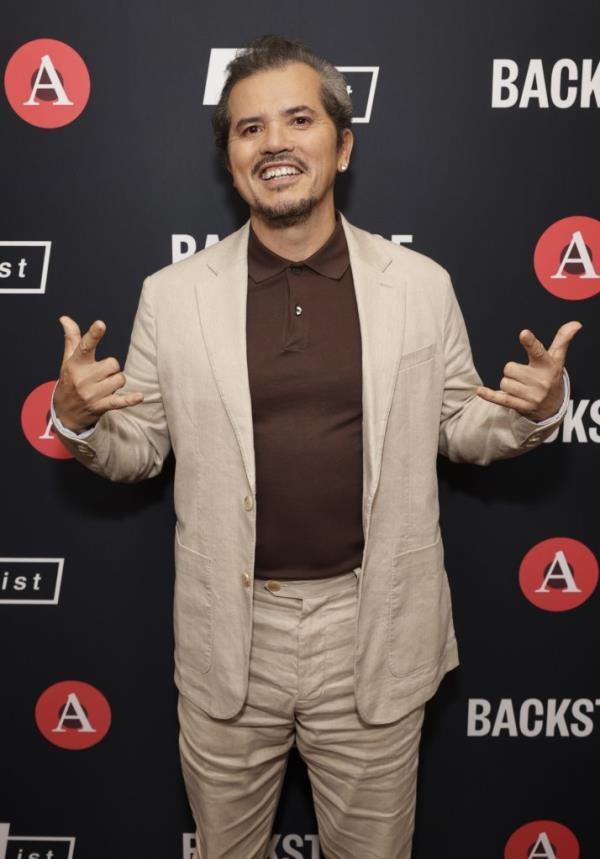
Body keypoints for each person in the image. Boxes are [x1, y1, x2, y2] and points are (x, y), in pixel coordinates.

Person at [52, 34, 579, 859]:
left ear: (343, 142)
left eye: (299, 119)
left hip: (372, 629)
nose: (275, 144)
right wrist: (77, 417)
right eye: (249, 128)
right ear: (230, 157)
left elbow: (458, 426)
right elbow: (142, 447)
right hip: (230, 633)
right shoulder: (173, 296)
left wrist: (534, 411)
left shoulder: (420, 285)